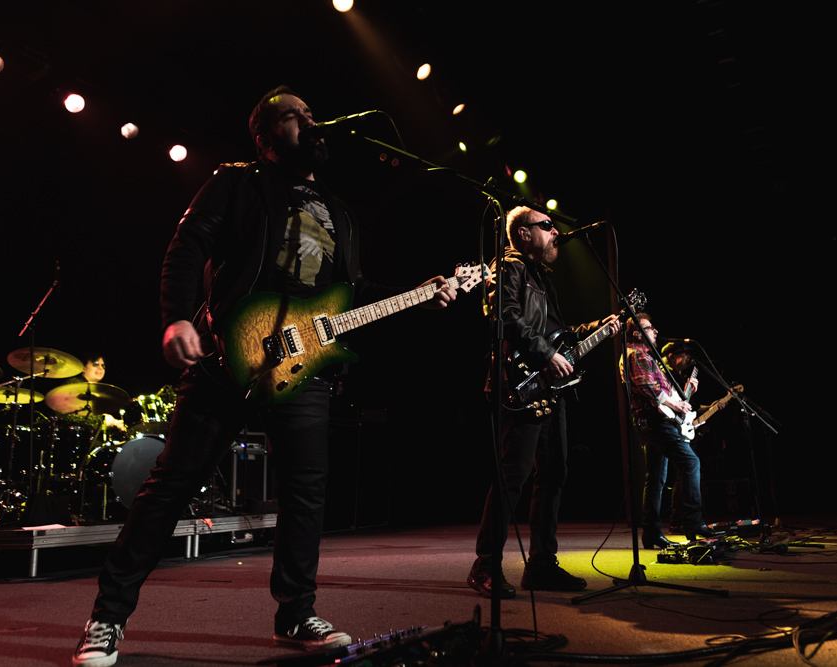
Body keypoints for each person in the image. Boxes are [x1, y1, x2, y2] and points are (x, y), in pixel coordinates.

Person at [72, 86, 457, 667]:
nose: (308, 119)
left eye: (309, 113)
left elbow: (350, 294)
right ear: (265, 134)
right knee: (172, 484)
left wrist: (419, 297)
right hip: (231, 351)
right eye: (293, 115)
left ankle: (296, 614)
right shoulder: (239, 181)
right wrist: (176, 315)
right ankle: (106, 618)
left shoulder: (341, 212)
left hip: (305, 364)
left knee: (306, 493)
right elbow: (188, 244)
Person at [467, 205, 620, 599]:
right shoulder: (508, 266)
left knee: (553, 475)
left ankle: (541, 566)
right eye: (547, 226)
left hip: (550, 389)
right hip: (516, 382)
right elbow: (505, 316)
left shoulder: (541, 276)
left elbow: (558, 334)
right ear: (522, 233)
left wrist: (597, 328)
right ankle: (484, 567)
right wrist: (542, 354)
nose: (555, 232)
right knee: (512, 477)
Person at [619, 313, 715, 549]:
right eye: (650, 328)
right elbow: (647, 387)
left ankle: (651, 533)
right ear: (637, 334)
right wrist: (676, 404)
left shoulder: (647, 357)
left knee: (655, 479)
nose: (655, 331)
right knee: (690, 463)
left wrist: (683, 393)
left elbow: (662, 390)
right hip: (655, 421)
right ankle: (693, 523)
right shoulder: (637, 354)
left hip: (653, 420)